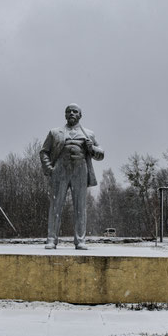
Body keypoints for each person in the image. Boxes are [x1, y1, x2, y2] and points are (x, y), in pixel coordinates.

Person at [40, 103, 104, 249]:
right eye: (69, 111)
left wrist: (91, 148)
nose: (72, 113)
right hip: (60, 170)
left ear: (80, 115)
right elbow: (44, 151)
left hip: (80, 170)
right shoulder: (55, 132)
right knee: (55, 205)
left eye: (75, 111)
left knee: (80, 207)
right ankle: (51, 239)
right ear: (65, 114)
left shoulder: (89, 134)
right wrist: (49, 168)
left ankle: (80, 240)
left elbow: (101, 154)